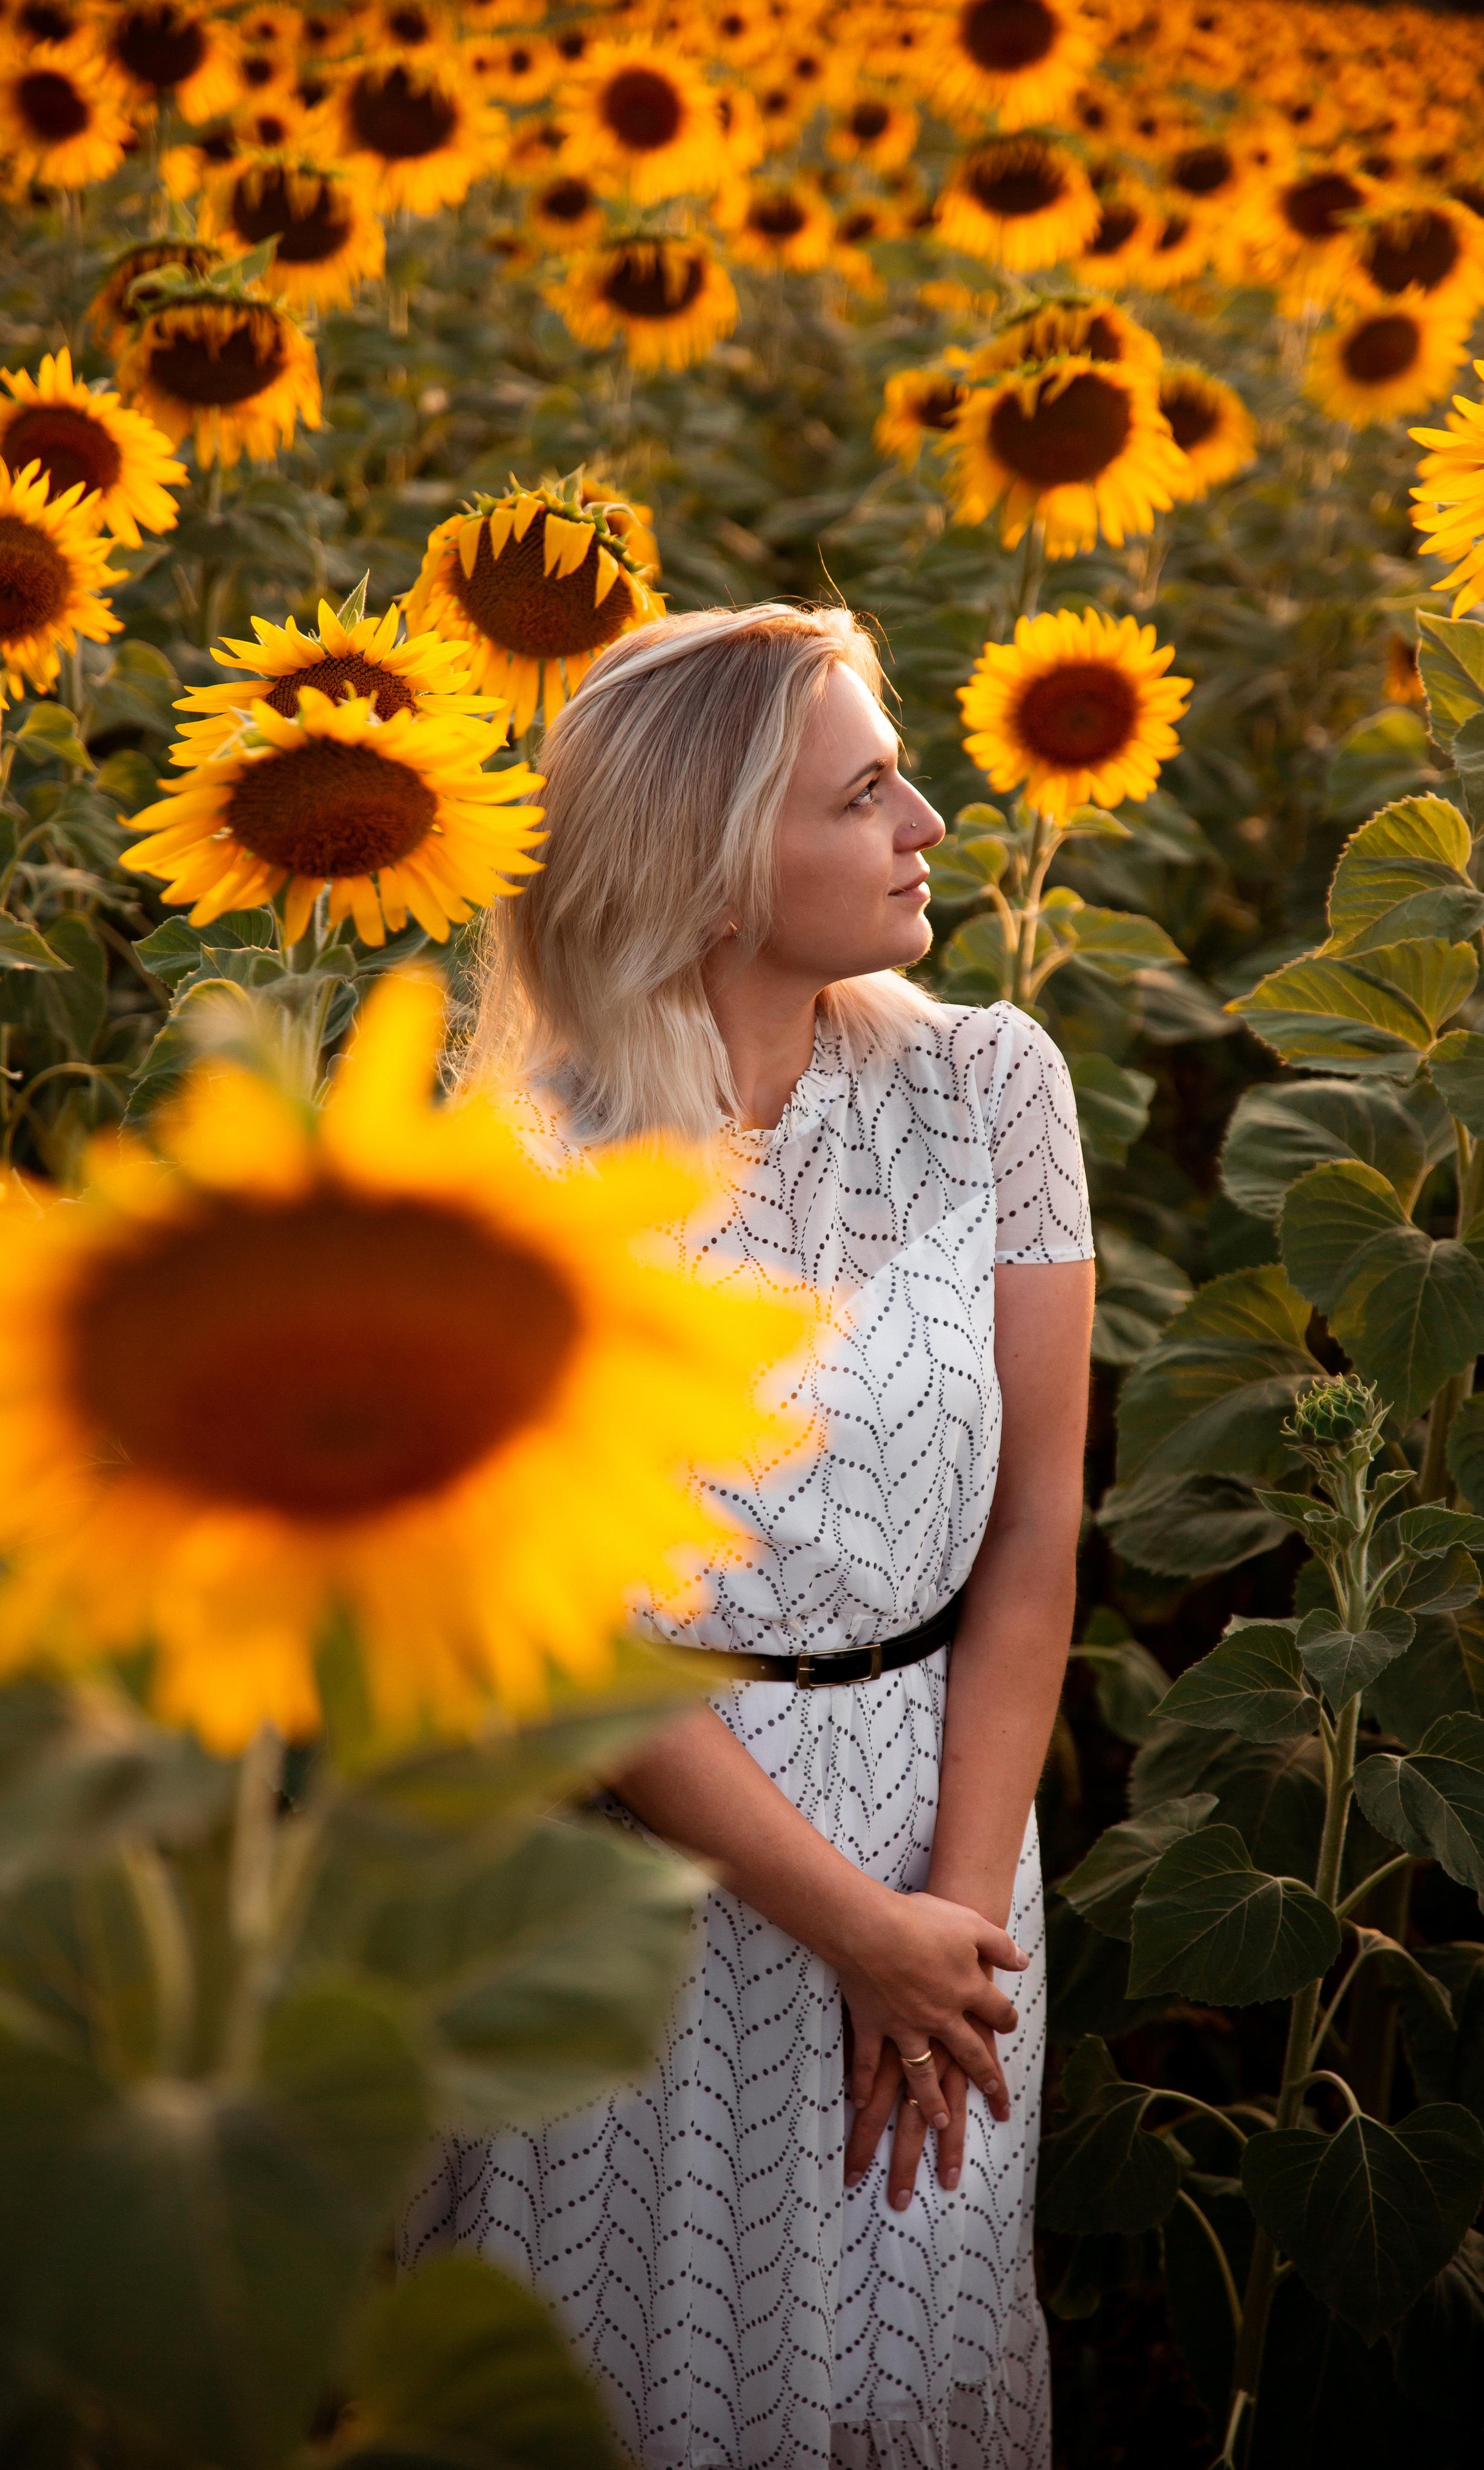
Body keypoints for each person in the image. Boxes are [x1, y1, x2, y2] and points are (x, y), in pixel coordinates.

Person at [402, 602, 1094, 2470]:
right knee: (629, 2372)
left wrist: (949, 1928)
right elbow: (558, 1624)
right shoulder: (517, 1169)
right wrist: (850, 1926)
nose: (927, 824)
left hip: (950, 1836)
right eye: (865, 795)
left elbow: (1038, 1528)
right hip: (637, 1880)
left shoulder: (991, 1086)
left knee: (912, 2357)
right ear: (710, 867)